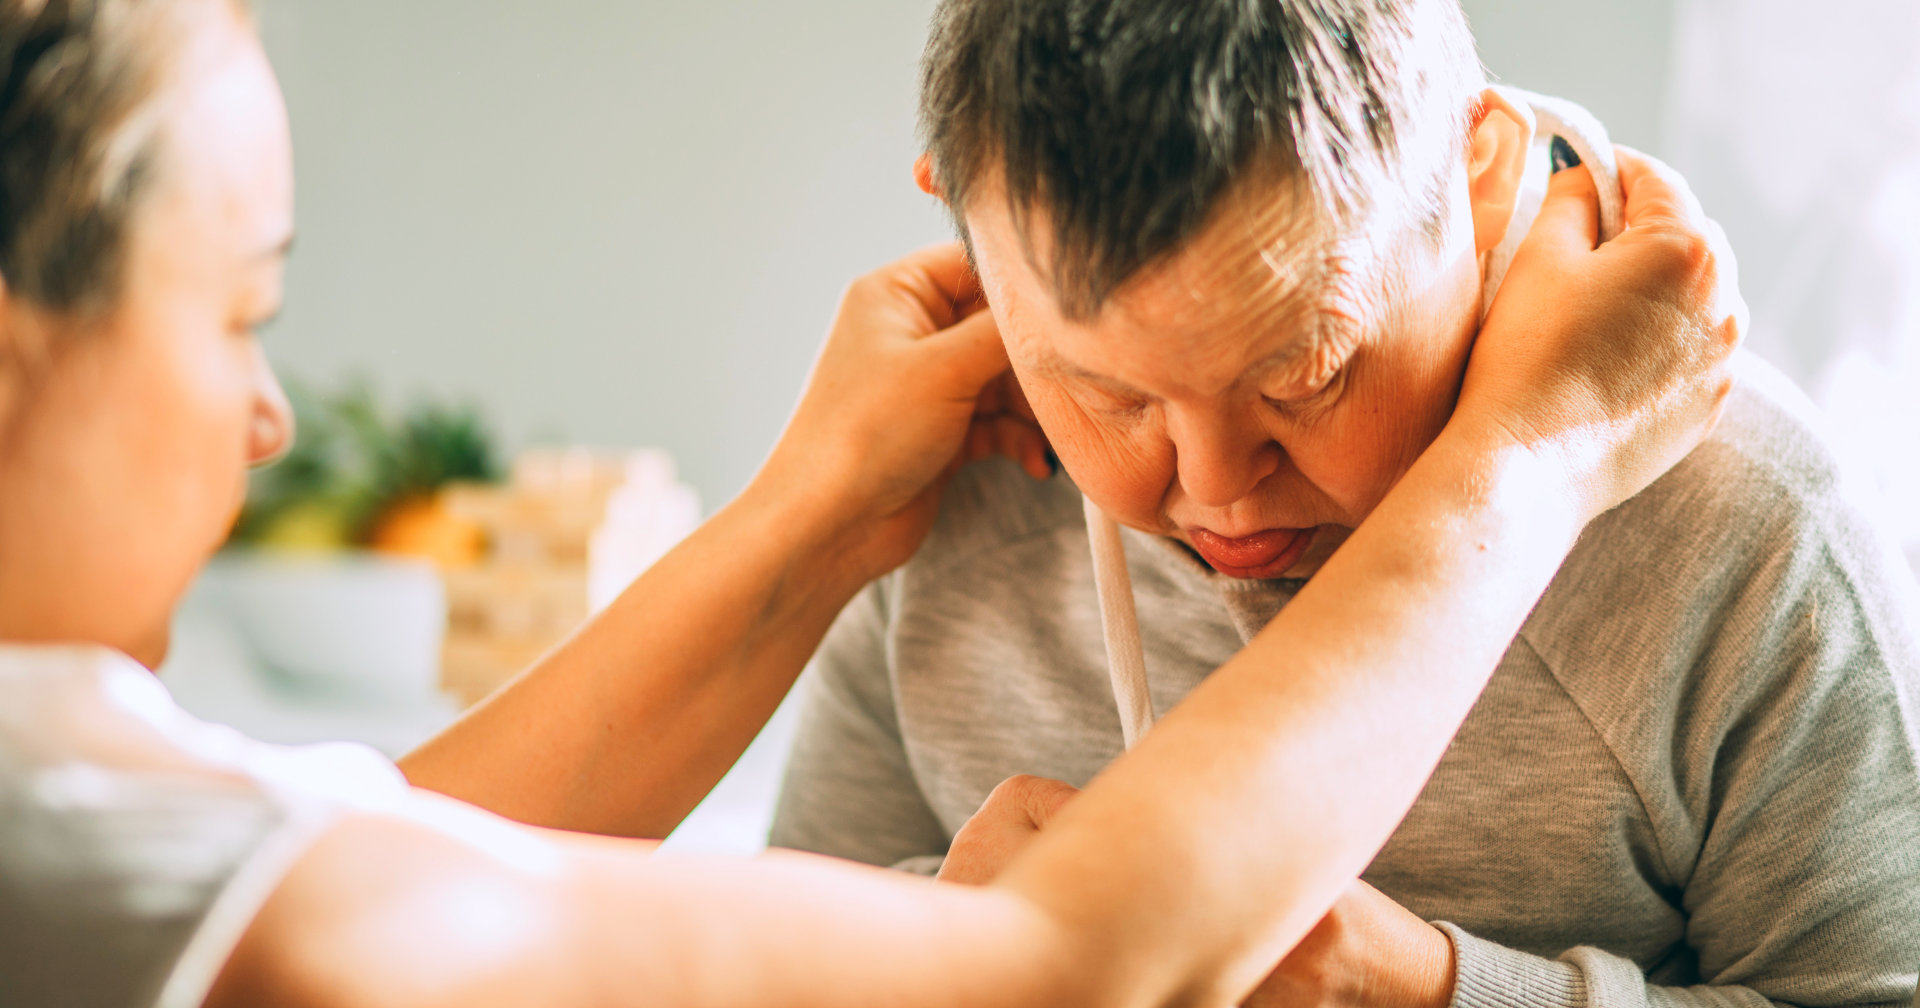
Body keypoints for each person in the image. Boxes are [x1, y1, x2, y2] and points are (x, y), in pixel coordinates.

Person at [0, 0, 1743, 1006]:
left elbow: (368, 838)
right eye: (243, 308)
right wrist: (1528, 460)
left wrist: (813, 518)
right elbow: (1058, 960)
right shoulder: (64, 826)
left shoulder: (1740, 535)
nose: (269, 412)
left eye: (1302, 376)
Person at [767, 0, 1920, 1005]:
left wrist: (1431, 993)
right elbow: (762, 957)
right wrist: (948, 951)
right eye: (1107, 392)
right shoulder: (941, 507)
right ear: (969, 235)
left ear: (1479, 172)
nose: (1215, 488)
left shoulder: (1749, 535)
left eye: (1305, 373)